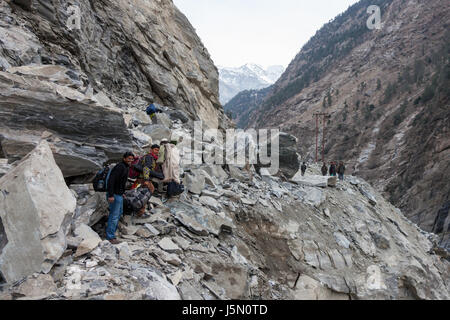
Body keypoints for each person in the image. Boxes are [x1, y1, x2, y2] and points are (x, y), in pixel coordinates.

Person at [106, 152, 135, 244]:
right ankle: (110, 237)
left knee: (118, 213)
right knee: (114, 216)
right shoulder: (120, 167)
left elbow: (120, 182)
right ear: (124, 158)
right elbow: (111, 180)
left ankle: (111, 233)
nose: (130, 160)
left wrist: (122, 193)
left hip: (119, 194)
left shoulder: (125, 167)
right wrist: (110, 195)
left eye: (132, 159)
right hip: (114, 195)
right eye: (129, 159)